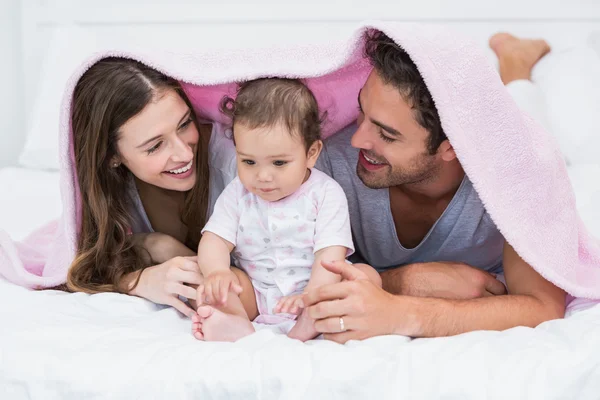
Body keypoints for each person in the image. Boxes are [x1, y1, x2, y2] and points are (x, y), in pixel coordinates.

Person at [302, 30, 566, 343]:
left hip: (511, 146)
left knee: (531, 119)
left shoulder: (517, 173)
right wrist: (402, 282)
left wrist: (405, 314)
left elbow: (544, 307)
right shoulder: (327, 165)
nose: (358, 140)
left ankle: (515, 62)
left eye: (387, 135)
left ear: (452, 145)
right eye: (362, 111)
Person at [67, 57, 258, 320]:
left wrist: (166, 250)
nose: (184, 153)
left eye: (185, 124)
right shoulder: (114, 191)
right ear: (112, 156)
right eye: (155, 146)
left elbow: (257, 297)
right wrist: (139, 281)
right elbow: (87, 267)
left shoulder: (243, 170)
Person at [191, 78, 378, 342]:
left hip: (316, 287)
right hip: (256, 294)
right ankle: (236, 323)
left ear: (311, 153)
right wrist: (217, 272)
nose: (263, 176)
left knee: (366, 278)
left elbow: (330, 256)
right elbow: (215, 240)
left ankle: (312, 320)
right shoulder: (237, 192)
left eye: (279, 162)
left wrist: (311, 295)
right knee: (212, 285)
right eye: (248, 161)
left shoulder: (325, 193)